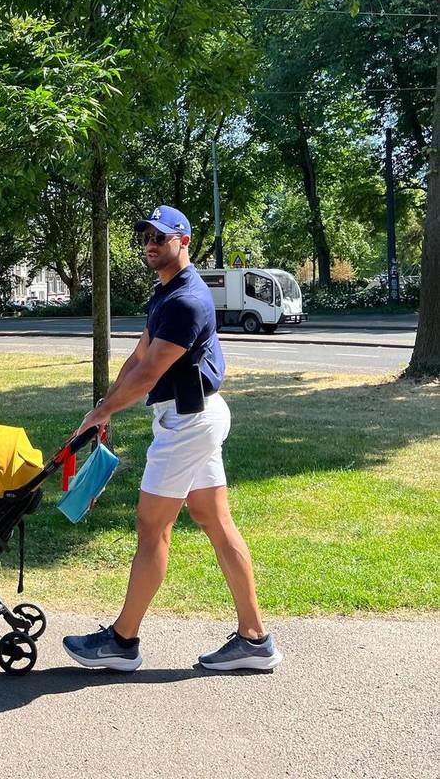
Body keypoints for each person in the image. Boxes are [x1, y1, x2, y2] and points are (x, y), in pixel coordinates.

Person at [63, 205, 282, 674]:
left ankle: (122, 641)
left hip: (187, 425)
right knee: (215, 521)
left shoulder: (186, 301)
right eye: (146, 236)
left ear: (183, 241)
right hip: (192, 417)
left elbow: (149, 374)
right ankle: (254, 640)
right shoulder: (165, 294)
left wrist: (103, 412)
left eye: (160, 237)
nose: (150, 244)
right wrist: (103, 405)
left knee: (152, 529)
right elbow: (138, 357)